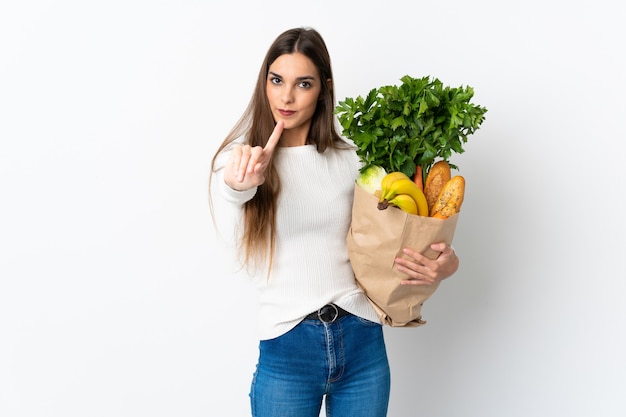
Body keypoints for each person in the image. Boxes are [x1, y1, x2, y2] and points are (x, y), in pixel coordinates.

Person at [209, 27, 459, 417]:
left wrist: (446, 264)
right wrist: (238, 185)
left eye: (302, 84)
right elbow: (232, 201)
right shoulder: (240, 162)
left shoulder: (355, 160)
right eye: (276, 80)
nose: (286, 96)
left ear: (323, 89)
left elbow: (394, 236)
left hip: (361, 339)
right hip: (287, 347)